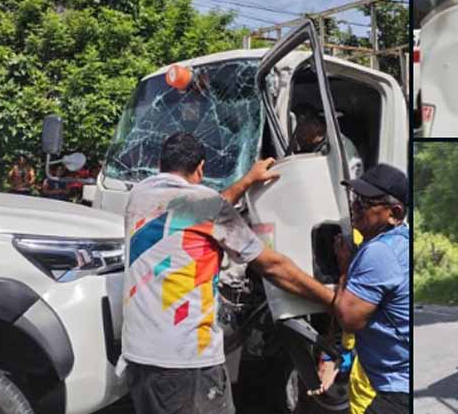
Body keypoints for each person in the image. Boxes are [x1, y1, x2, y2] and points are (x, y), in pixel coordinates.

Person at [120, 132, 335, 414]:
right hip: (185, 362)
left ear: (161, 164)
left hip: (139, 356)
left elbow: (199, 210)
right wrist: (332, 299)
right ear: (200, 168)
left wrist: (246, 181)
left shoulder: (140, 196)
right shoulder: (206, 205)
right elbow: (271, 266)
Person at [331, 164, 410, 414]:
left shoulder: (380, 251)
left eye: (364, 203)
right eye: (355, 199)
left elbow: (348, 319)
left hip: (393, 389)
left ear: (394, 213)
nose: (355, 207)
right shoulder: (395, 242)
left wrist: (344, 270)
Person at [292, 104, 363, 178]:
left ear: (316, 125)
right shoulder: (310, 147)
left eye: (300, 126)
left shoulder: (339, 147)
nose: (296, 132)